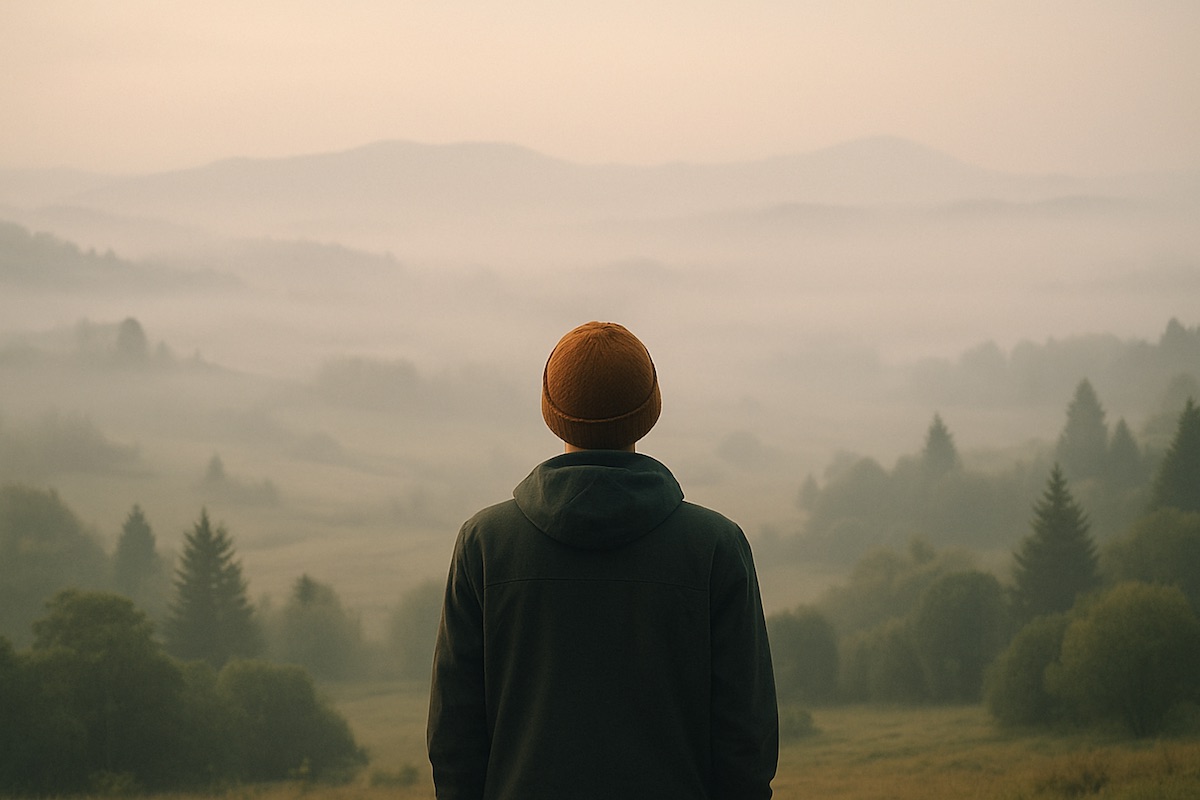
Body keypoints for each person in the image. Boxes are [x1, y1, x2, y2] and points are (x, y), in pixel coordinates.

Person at [427, 321, 778, 800]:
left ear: (553, 412)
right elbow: (746, 742)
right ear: (650, 411)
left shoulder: (484, 545)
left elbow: (454, 739)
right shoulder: (716, 547)